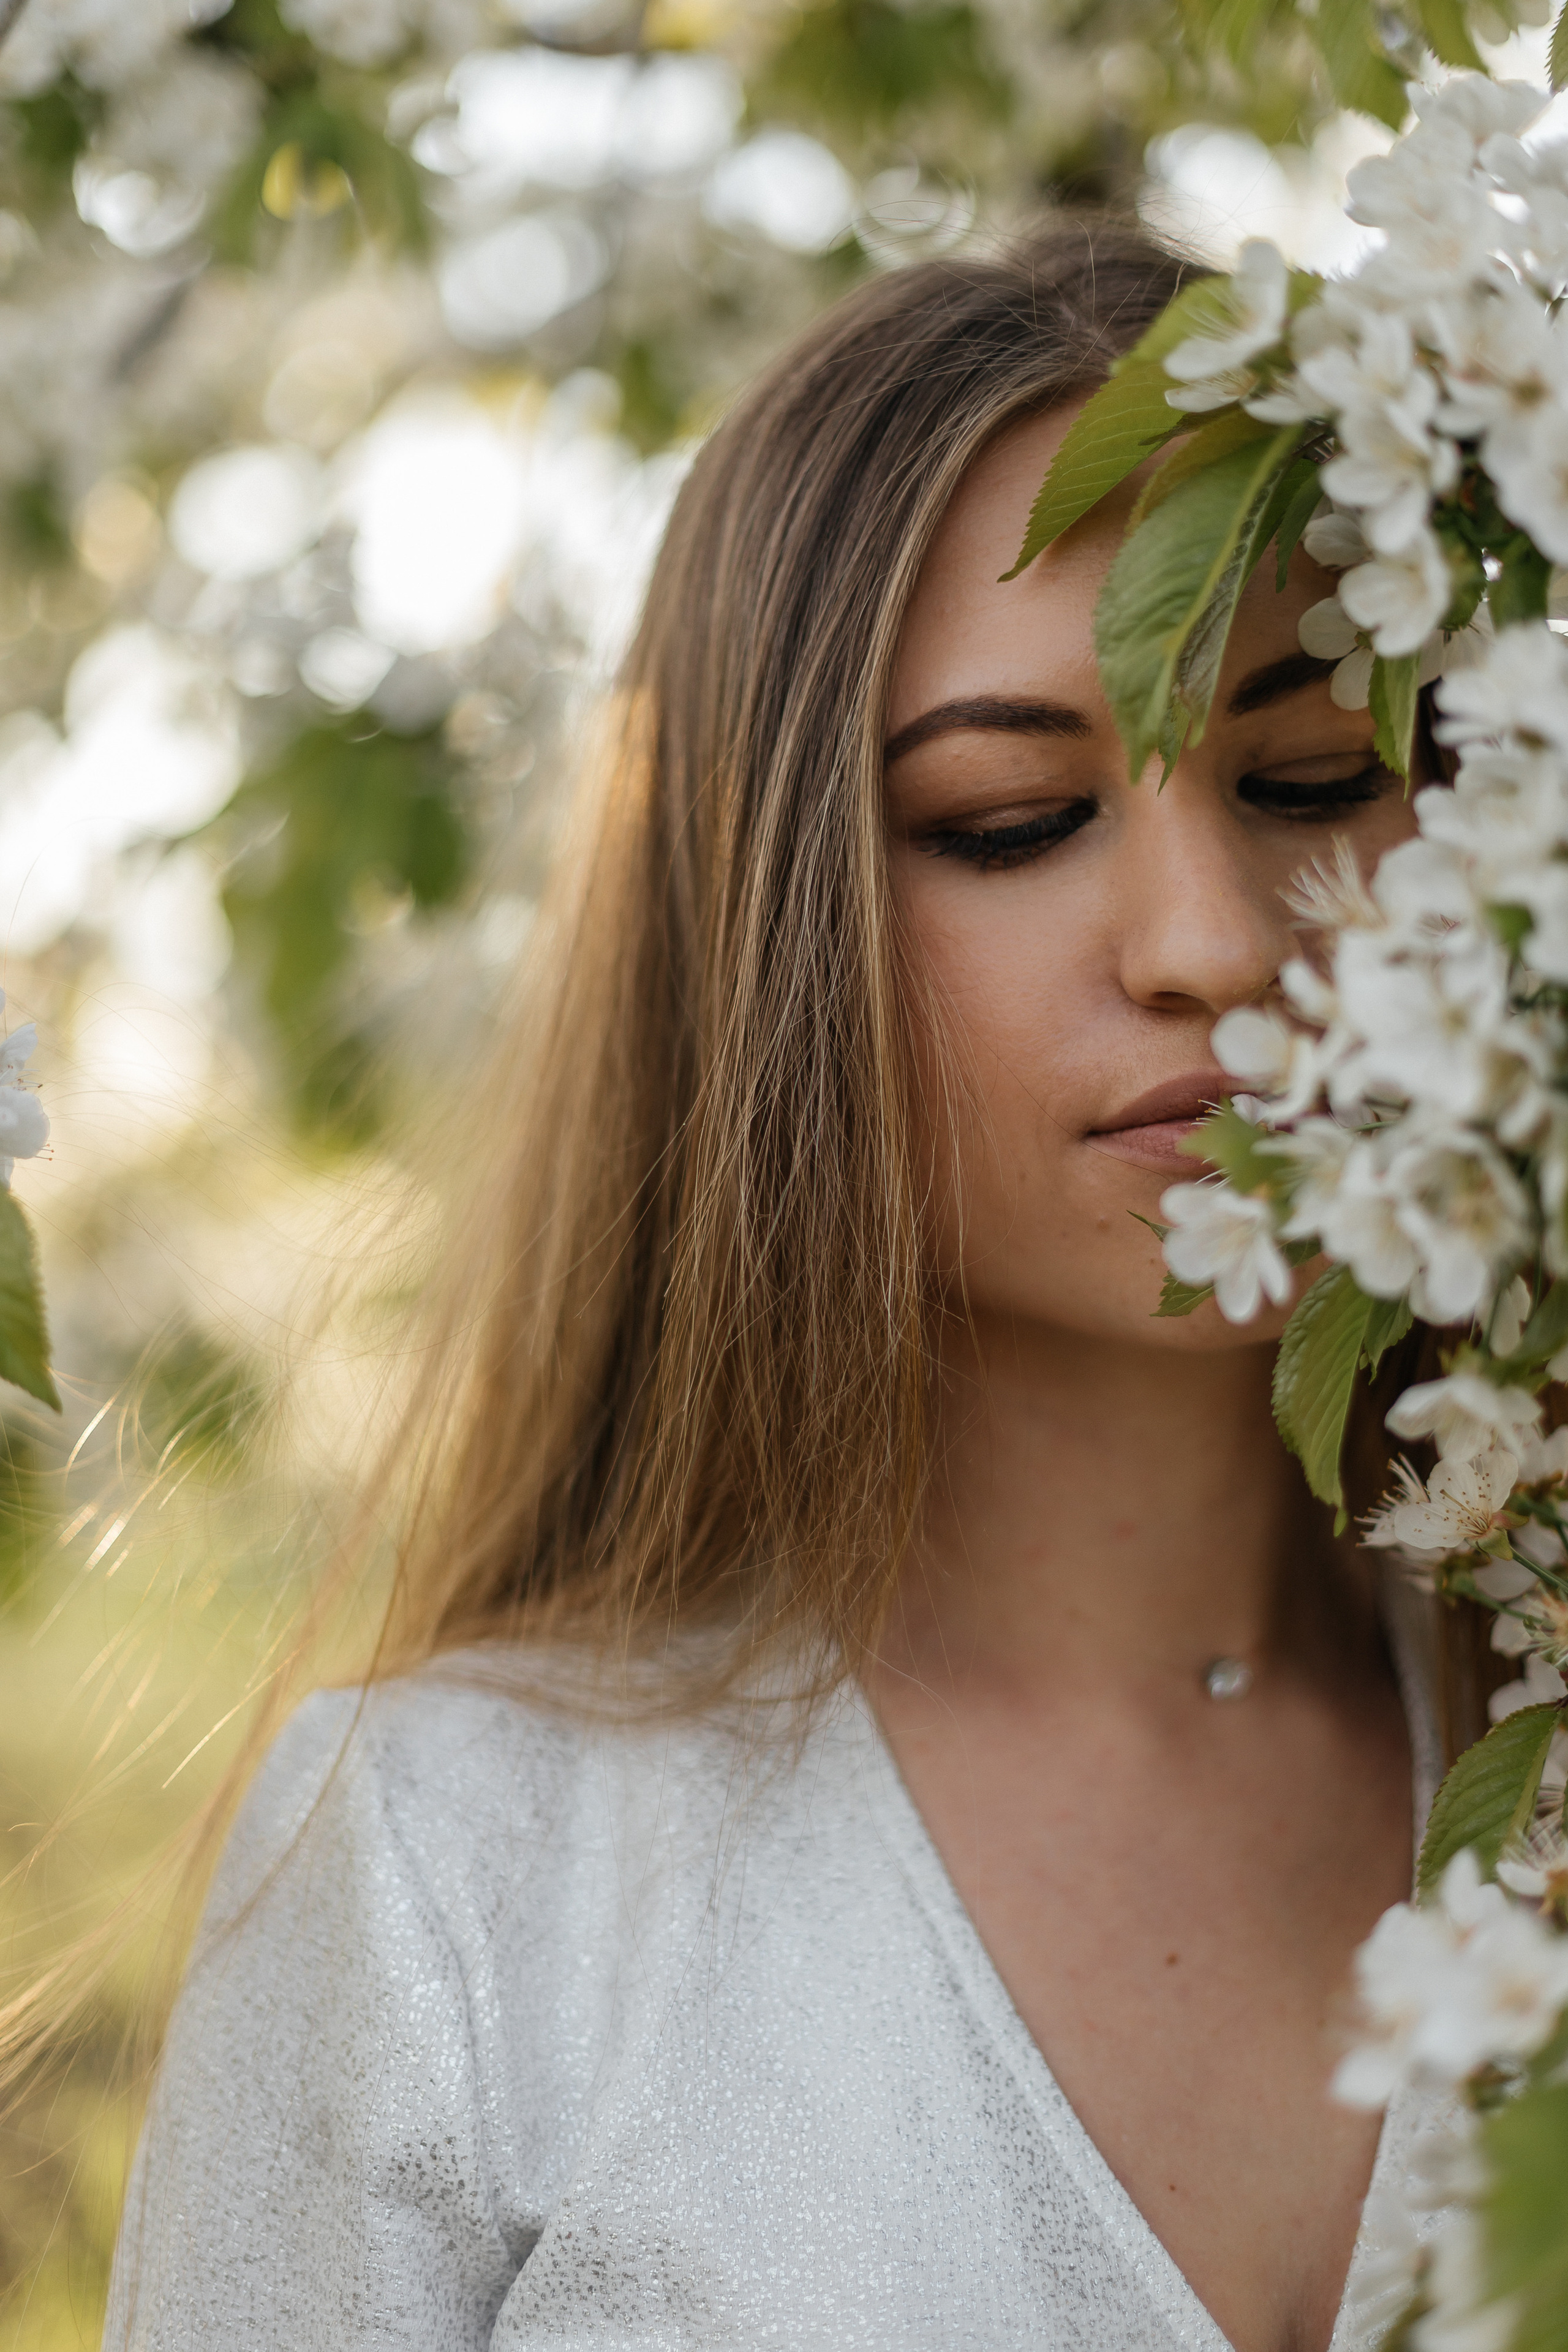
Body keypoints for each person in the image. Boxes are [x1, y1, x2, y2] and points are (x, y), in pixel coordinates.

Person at [106, 222, 1456, 2352]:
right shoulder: (459, 1875)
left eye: (1309, 779)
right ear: (767, 931)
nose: (1211, 939)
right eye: (1011, 820)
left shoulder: (1527, 1755)